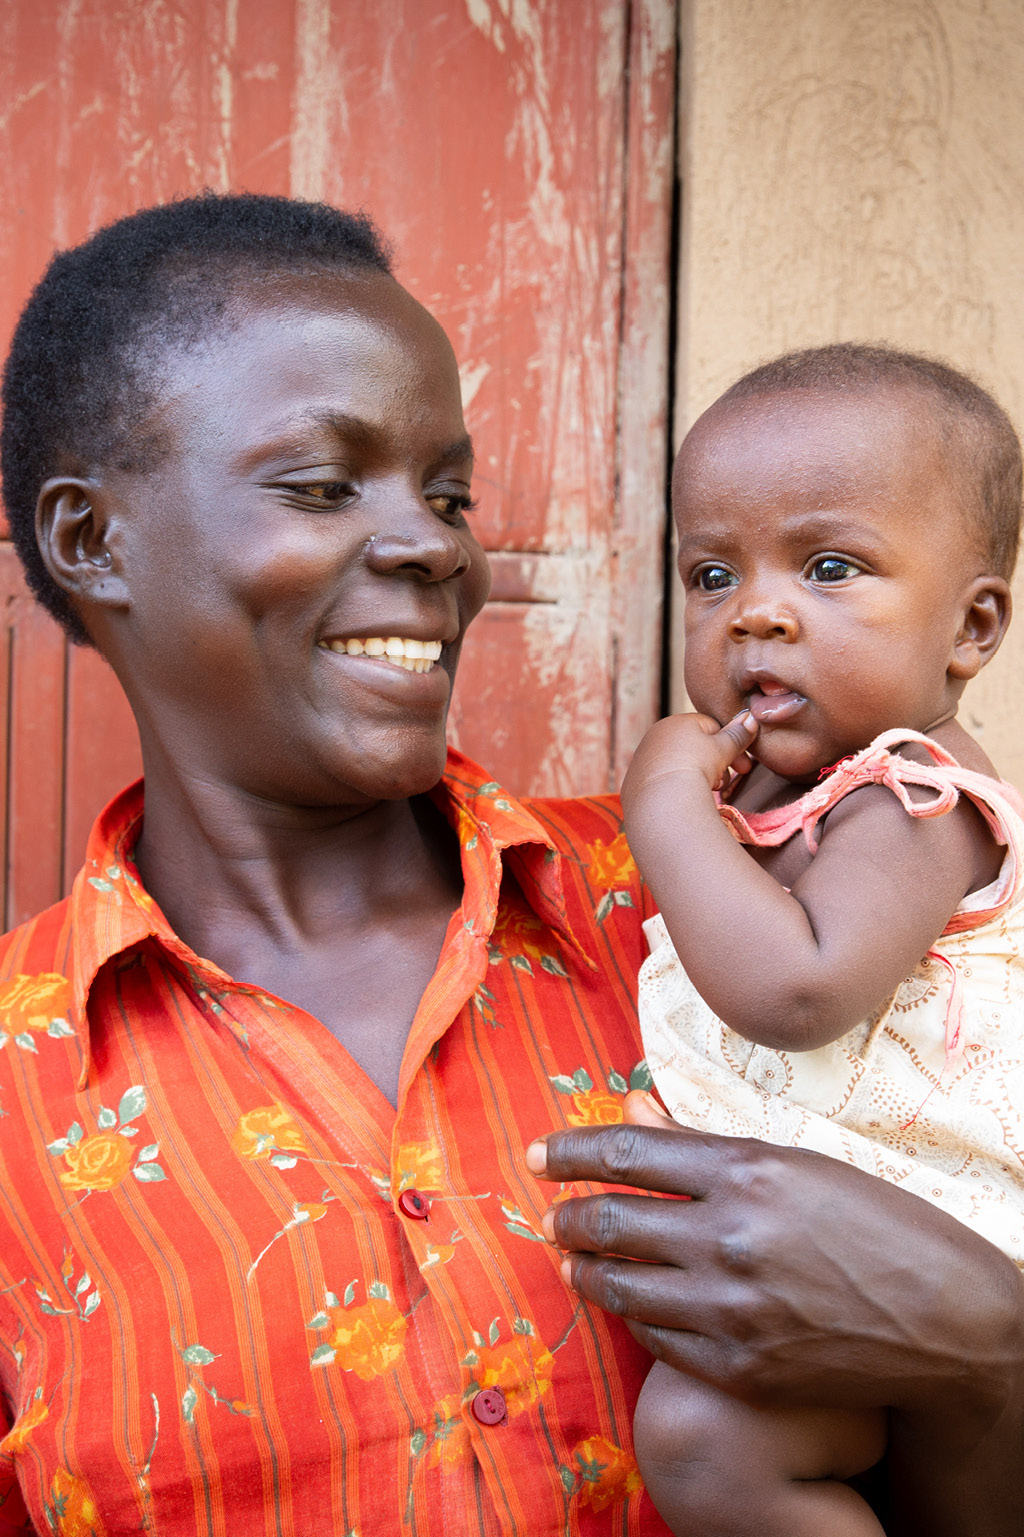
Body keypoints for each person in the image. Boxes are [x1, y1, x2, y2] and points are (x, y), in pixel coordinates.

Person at [0, 198, 1018, 1537]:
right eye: (322, 484)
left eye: (447, 492)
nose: (438, 545)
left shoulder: (711, 904)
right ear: (92, 540)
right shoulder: (23, 1094)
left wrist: (992, 1352)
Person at [618, 345, 1024, 1535]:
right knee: (701, 1441)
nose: (754, 610)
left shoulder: (921, 796)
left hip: (940, 1240)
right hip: (801, 1265)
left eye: (829, 566)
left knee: (699, 1438)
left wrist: (664, 810)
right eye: (709, 573)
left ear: (972, 625)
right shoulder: (794, 803)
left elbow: (794, 992)